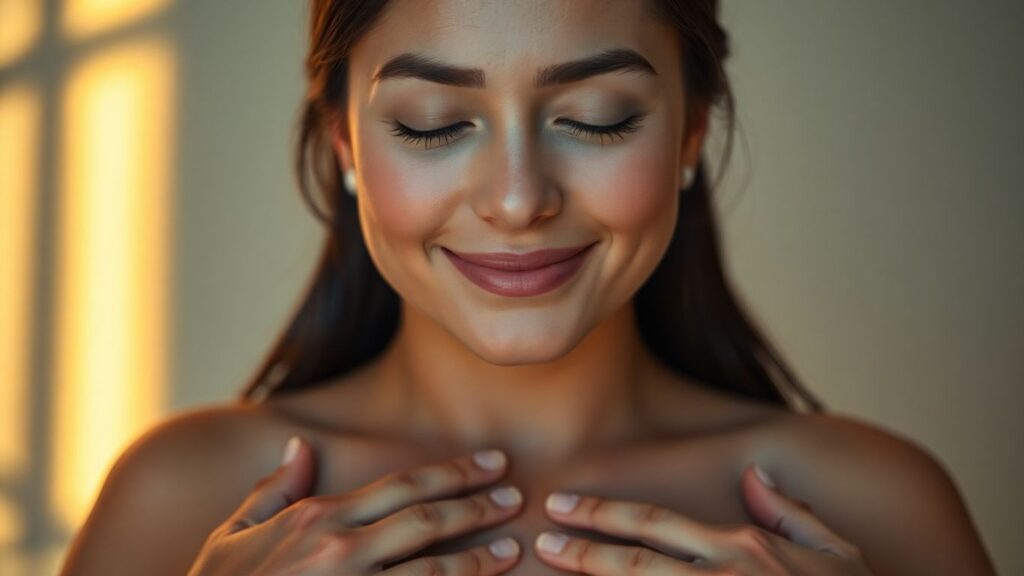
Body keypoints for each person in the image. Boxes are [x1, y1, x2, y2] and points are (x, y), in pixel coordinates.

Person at [59, 1, 996, 574]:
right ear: (344, 142)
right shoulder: (180, 503)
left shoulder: (875, 508)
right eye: (432, 125)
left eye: (596, 118)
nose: (517, 199)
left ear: (692, 138)